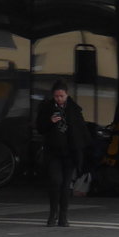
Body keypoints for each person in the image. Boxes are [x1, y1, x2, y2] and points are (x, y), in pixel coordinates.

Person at [35, 80, 91, 227]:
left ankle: (63, 216)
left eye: (61, 96)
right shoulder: (47, 108)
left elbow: (81, 131)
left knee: (66, 185)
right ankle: (52, 213)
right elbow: (39, 127)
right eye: (56, 96)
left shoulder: (74, 109)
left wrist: (82, 150)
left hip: (69, 152)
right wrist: (50, 121)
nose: (59, 99)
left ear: (67, 95)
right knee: (55, 182)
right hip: (53, 152)